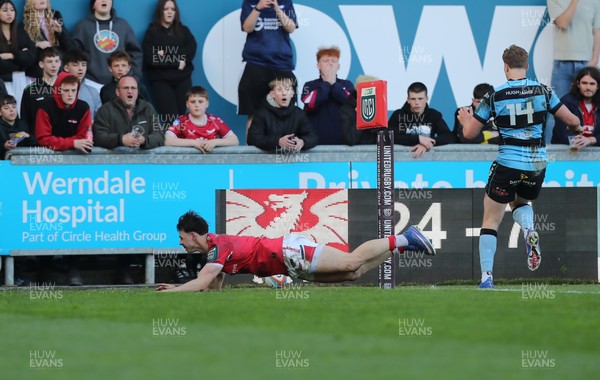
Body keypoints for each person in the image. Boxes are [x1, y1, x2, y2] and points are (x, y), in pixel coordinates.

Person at [457, 44, 583, 289]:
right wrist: (577, 129)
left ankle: (486, 277)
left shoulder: (494, 96)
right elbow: (572, 120)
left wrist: (465, 120)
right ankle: (528, 230)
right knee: (521, 203)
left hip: (508, 162)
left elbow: (471, 133)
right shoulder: (543, 91)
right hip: (536, 163)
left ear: (505, 67)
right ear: (526, 66)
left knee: (491, 220)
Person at [155, 210, 436, 292]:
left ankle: (404, 237)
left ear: (193, 235)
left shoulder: (218, 248)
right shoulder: (215, 252)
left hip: (291, 253)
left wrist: (172, 292)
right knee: (355, 274)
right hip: (291, 265)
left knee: (352, 261)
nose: (180, 243)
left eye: (181, 238)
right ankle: (403, 245)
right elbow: (211, 289)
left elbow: (203, 281)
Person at [238, 0, 298, 134]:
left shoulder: (285, 3)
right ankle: (251, 152)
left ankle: (283, 149)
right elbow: (247, 28)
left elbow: (291, 28)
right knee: (253, 112)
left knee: (286, 111)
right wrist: (258, 8)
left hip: (282, 65)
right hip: (254, 63)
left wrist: (277, 8)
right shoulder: (250, 2)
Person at [142, 0, 196, 118]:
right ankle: (171, 137)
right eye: (166, 9)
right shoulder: (151, 33)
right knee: (170, 118)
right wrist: (177, 61)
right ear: (160, 11)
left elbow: (191, 49)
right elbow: (151, 58)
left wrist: (164, 55)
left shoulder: (183, 31)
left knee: (182, 117)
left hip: (183, 80)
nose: (170, 12)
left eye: (173, 9)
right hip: (161, 81)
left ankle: (179, 137)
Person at [71, 0, 143, 86]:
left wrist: (135, 77)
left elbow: (136, 53)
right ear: (93, 5)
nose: (104, 0)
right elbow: (73, 54)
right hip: (91, 82)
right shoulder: (82, 26)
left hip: (120, 83)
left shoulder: (123, 25)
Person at [247, 77, 318, 152]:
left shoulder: (299, 113)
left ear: (292, 93)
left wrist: (302, 142)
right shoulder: (262, 114)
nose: (284, 93)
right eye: (279, 90)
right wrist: (278, 142)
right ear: (272, 94)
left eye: (287, 89)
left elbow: (313, 136)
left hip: (292, 162)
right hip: (268, 162)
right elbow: (252, 138)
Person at [93, 75, 164, 149]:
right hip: (115, 159)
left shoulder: (148, 108)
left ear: (137, 91)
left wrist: (144, 140)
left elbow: (160, 135)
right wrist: (121, 139)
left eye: (133, 88)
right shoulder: (105, 110)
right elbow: (98, 137)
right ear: (117, 92)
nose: (130, 91)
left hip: (143, 159)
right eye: (126, 88)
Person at [547, 0, 600, 100]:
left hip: (586, 63)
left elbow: (597, 32)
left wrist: (594, 59)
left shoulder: (595, 1)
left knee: (586, 106)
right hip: (561, 64)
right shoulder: (554, 0)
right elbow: (563, 23)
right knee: (560, 106)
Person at [388, 82, 456, 158]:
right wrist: (418, 139)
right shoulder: (398, 115)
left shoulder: (434, 115)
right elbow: (389, 137)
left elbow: (449, 137)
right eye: (413, 99)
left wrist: (428, 143)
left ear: (427, 99)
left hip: (427, 162)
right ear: (408, 100)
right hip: (401, 161)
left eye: (420, 99)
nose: (417, 103)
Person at [301, 46, 354, 144]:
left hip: (343, 144)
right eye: (325, 61)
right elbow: (311, 104)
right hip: (316, 144)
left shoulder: (347, 85)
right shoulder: (309, 85)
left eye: (333, 61)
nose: (330, 63)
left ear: (338, 66)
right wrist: (326, 83)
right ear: (318, 66)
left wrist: (333, 84)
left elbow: (350, 103)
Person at [165, 86, 239, 152]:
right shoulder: (181, 121)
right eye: (193, 102)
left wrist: (214, 142)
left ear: (207, 104)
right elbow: (166, 140)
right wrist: (194, 143)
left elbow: (235, 140)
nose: (197, 105)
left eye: (200, 102)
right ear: (187, 104)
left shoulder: (215, 120)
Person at [35, 72, 92, 153]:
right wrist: (72, 143)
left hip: (76, 157)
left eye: (73, 90)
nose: (70, 94)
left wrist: (67, 143)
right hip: (49, 157)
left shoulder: (83, 107)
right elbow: (43, 139)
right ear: (58, 90)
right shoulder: (45, 107)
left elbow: (83, 137)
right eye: (66, 90)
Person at [21, 0, 73, 78]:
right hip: (39, 73)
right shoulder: (25, 25)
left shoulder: (55, 16)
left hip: (59, 70)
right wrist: (37, 44)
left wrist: (60, 32)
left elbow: (70, 48)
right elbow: (24, 52)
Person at [552, 66, 600, 148]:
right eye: (584, 83)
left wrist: (590, 140)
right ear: (578, 84)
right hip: (568, 152)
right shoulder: (566, 102)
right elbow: (561, 133)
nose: (588, 87)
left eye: (592, 84)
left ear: (598, 86)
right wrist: (579, 142)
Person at [0, 0, 37, 107]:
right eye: (5, 10)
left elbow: (31, 57)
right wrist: (21, 59)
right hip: (3, 81)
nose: (9, 13)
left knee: (23, 111)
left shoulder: (21, 31)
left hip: (20, 79)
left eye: (12, 10)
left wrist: (11, 56)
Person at [20, 47, 61, 133]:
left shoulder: (68, 88)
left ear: (60, 63)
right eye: (49, 61)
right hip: (38, 141)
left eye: (56, 61)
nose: (54, 65)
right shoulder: (30, 90)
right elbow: (25, 120)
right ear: (41, 64)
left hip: (63, 140)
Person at [339, 74, 381, 146]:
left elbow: (384, 138)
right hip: (353, 155)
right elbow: (350, 139)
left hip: (374, 154)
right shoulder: (345, 111)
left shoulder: (377, 108)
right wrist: (361, 116)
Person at [63, 48, 101, 119]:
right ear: (66, 68)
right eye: (75, 65)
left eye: (83, 65)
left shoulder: (93, 92)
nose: (80, 68)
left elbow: (99, 119)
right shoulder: (57, 90)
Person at [0, 94, 31, 160]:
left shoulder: (23, 124)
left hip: (23, 163)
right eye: (6, 108)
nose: (11, 110)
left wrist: (28, 136)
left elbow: (35, 143)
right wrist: (4, 146)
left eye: (14, 107)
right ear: (0, 112)